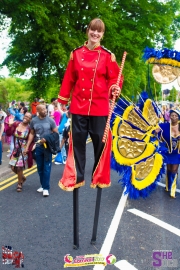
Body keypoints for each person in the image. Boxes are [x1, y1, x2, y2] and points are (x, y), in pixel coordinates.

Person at [57, 18, 123, 191]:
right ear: (88, 31)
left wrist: (115, 87)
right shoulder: (76, 54)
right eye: (93, 30)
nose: (95, 33)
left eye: (99, 31)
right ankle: (76, 177)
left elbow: (115, 78)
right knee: (77, 142)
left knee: (101, 144)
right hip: (78, 106)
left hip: (100, 108)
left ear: (102, 34)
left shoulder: (108, 56)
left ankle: (98, 176)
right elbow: (69, 78)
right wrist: (62, 100)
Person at [24, 104, 58, 197]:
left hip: (47, 147)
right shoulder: (34, 121)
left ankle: (46, 188)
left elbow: (56, 133)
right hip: (38, 147)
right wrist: (27, 147)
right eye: (42, 109)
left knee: (47, 168)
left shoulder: (50, 120)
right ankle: (43, 185)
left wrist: (47, 138)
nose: (45, 111)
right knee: (40, 168)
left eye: (45, 109)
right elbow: (31, 134)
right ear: (37, 111)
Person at [7, 112, 33, 191]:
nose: (26, 118)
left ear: (30, 119)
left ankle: (19, 184)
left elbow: (30, 139)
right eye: (25, 116)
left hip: (24, 148)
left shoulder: (30, 128)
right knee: (12, 167)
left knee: (19, 167)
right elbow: (8, 133)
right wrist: (10, 125)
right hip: (16, 148)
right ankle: (22, 177)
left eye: (28, 117)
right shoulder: (16, 124)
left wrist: (27, 148)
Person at [158, 109, 180, 198]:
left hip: (177, 153)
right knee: (169, 169)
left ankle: (173, 190)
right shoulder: (165, 126)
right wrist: (155, 131)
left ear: (178, 117)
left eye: (176, 116)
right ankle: (167, 186)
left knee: (174, 170)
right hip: (168, 153)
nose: (174, 117)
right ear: (169, 116)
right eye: (172, 115)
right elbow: (156, 130)